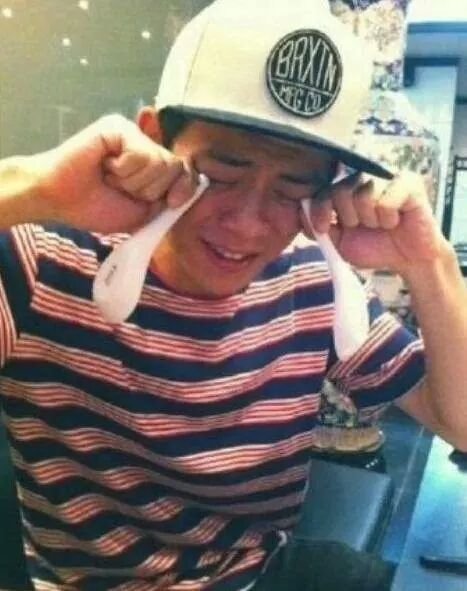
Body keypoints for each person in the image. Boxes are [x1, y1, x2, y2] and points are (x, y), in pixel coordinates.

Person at [0, 1, 466, 590]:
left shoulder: (312, 281)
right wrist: (29, 189)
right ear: (155, 139)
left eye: (291, 188)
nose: (247, 224)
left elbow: (460, 422)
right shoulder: (43, 261)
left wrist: (429, 261)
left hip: (257, 575)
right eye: (221, 173)